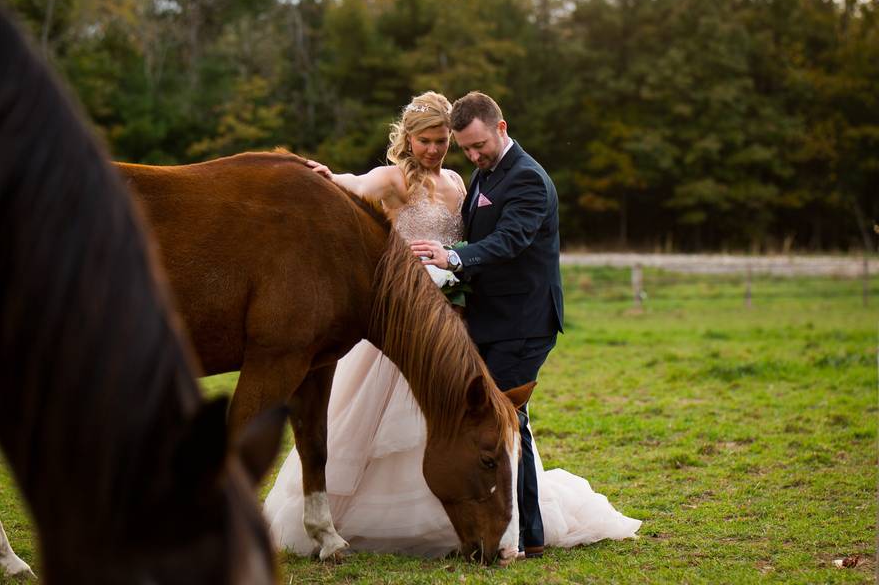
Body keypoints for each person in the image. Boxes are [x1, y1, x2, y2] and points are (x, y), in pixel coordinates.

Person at [263, 91, 640, 558]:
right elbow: (353, 185)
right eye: (428, 141)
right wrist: (326, 176)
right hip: (402, 327)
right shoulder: (395, 177)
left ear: (491, 131)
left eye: (444, 142)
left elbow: (496, 239)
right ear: (408, 138)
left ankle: (501, 525)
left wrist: (453, 263)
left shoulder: (468, 182)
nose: (436, 150)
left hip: (458, 321)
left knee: (478, 418)